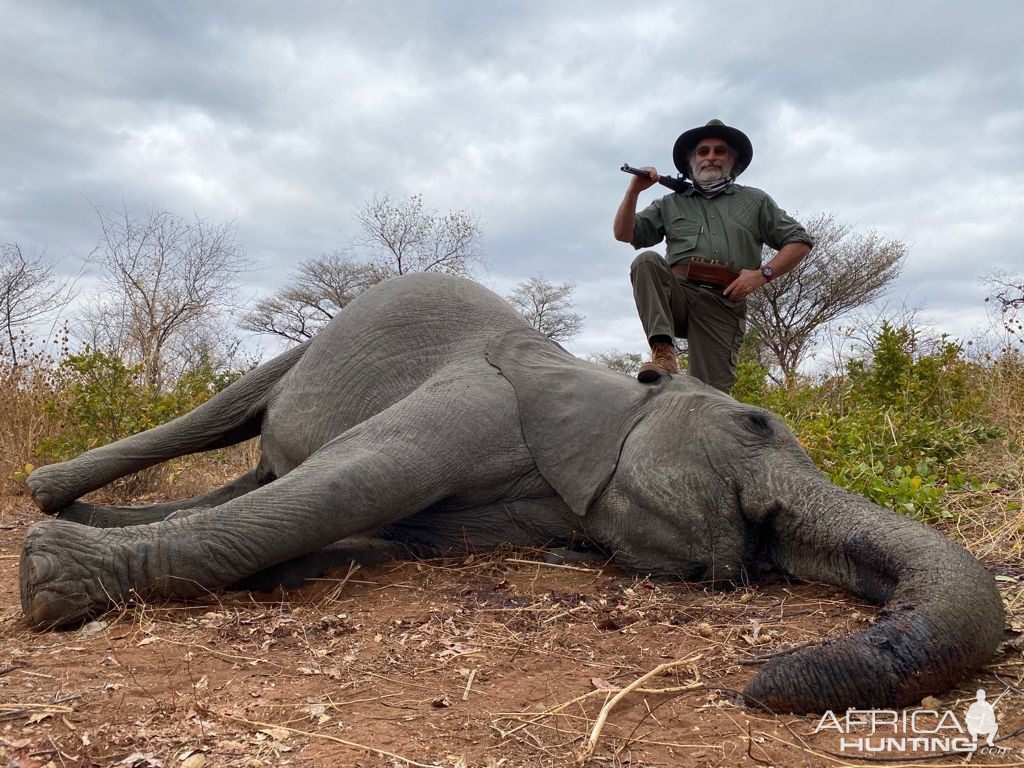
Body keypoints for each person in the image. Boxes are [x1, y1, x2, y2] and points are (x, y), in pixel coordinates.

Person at [614, 119, 813, 392]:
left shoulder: (755, 201)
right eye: (703, 151)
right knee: (646, 261)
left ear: (732, 160)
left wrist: (763, 274)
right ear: (691, 160)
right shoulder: (669, 203)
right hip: (679, 296)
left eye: (719, 151)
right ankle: (663, 353)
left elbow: (799, 241)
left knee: (711, 395)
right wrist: (633, 190)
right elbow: (624, 233)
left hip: (723, 303)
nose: (711, 157)